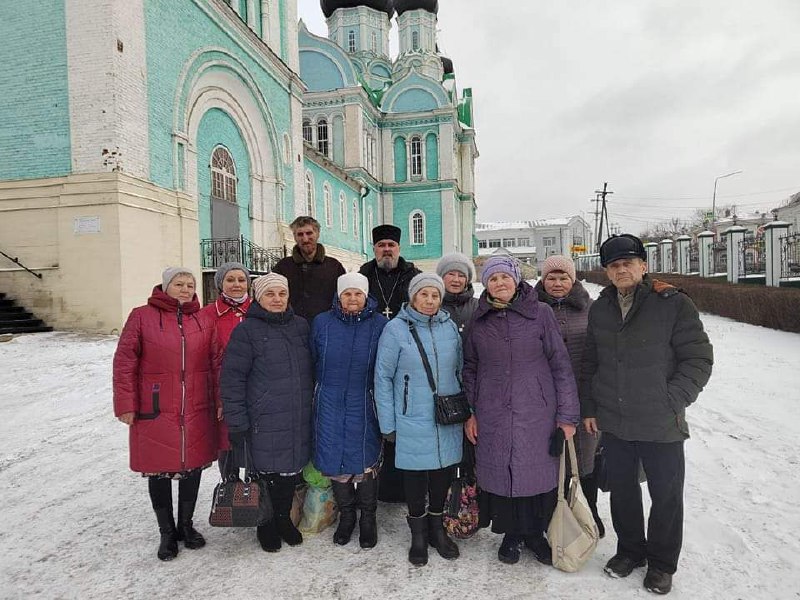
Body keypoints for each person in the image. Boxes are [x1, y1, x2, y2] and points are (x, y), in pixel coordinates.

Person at [580, 234, 713, 595]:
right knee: (622, 491)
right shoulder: (601, 307)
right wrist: (590, 408)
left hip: (661, 421)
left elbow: (698, 358)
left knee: (666, 494)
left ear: (643, 266)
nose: (621, 270)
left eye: (628, 263)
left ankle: (661, 563)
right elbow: (591, 362)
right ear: (607, 271)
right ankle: (630, 551)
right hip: (616, 421)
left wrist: (673, 399)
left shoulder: (671, 304)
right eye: (614, 265)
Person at [462, 255, 579, 566]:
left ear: (516, 280)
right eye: (493, 278)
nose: (500, 283)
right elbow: (470, 367)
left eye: (505, 277)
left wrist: (567, 416)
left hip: (536, 410)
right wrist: (471, 411)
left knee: (536, 473)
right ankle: (511, 534)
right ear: (485, 284)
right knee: (504, 472)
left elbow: (560, 365)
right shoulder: (478, 318)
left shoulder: (540, 313)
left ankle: (535, 535)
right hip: (493, 410)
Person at [113, 267, 220, 561]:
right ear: (165, 286)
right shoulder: (142, 316)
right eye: (179, 284)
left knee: (193, 466)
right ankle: (166, 532)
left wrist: (220, 400)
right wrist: (126, 404)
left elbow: (215, 361)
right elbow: (125, 361)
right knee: (158, 468)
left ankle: (186, 526)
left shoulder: (203, 318)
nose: (185, 289)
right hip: (156, 405)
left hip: (196, 404)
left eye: (190, 285)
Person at [220, 272, 314, 553]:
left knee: (288, 474)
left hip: (297, 414)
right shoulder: (246, 331)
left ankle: (285, 519)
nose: (276, 299)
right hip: (264, 416)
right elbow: (232, 378)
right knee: (267, 474)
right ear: (259, 298)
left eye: (281, 294)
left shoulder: (300, 326)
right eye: (269, 294)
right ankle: (266, 523)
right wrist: (236, 421)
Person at [375, 273, 463, 566]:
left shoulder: (449, 327)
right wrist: (388, 422)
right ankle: (418, 534)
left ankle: (437, 529)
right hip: (412, 415)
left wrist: (467, 409)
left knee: (441, 473)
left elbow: (461, 371)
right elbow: (383, 377)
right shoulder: (395, 329)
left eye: (435, 295)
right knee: (414, 475)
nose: (429, 300)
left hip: (446, 415)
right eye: (423, 295)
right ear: (412, 297)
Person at [311, 273, 388, 549]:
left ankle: (368, 517)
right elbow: (312, 358)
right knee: (334, 458)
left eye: (358, 293)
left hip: (365, 400)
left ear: (366, 296)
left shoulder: (381, 324)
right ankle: (346, 516)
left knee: (365, 461)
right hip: (328, 400)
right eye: (347, 293)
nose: (353, 298)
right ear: (339, 296)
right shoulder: (322, 323)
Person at [533, 255, 604, 537]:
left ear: (573, 279)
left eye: (563, 277)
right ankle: (555, 513)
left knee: (586, 457)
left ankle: (589, 510)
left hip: (584, 395)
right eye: (551, 278)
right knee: (551, 457)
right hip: (545, 399)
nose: (558, 283)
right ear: (543, 280)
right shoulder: (532, 308)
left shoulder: (591, 309)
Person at [360, 224, 420, 503]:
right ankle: (378, 487)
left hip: (407, 357)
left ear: (399, 248)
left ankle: (404, 486)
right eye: (381, 245)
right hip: (370, 352)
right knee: (376, 418)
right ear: (374, 249)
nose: (386, 249)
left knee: (402, 417)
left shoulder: (413, 276)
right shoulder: (363, 275)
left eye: (391, 245)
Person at [199, 261, 252, 472]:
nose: (236, 285)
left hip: (255, 386)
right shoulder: (207, 315)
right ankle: (229, 494)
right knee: (227, 442)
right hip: (223, 389)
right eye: (230, 280)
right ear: (221, 284)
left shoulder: (258, 310)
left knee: (254, 446)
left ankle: (255, 497)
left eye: (241, 280)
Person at [273, 216, 345, 321]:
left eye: (309, 233)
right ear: (294, 237)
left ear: (318, 234)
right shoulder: (283, 267)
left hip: (325, 328)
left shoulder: (333, 266)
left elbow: (344, 298)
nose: (305, 239)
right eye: (300, 234)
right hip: (292, 328)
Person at [436, 252, 478, 341]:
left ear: (467, 280)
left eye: (461, 276)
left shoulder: (478, 306)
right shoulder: (432, 306)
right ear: (441, 277)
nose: (456, 280)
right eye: (451, 274)